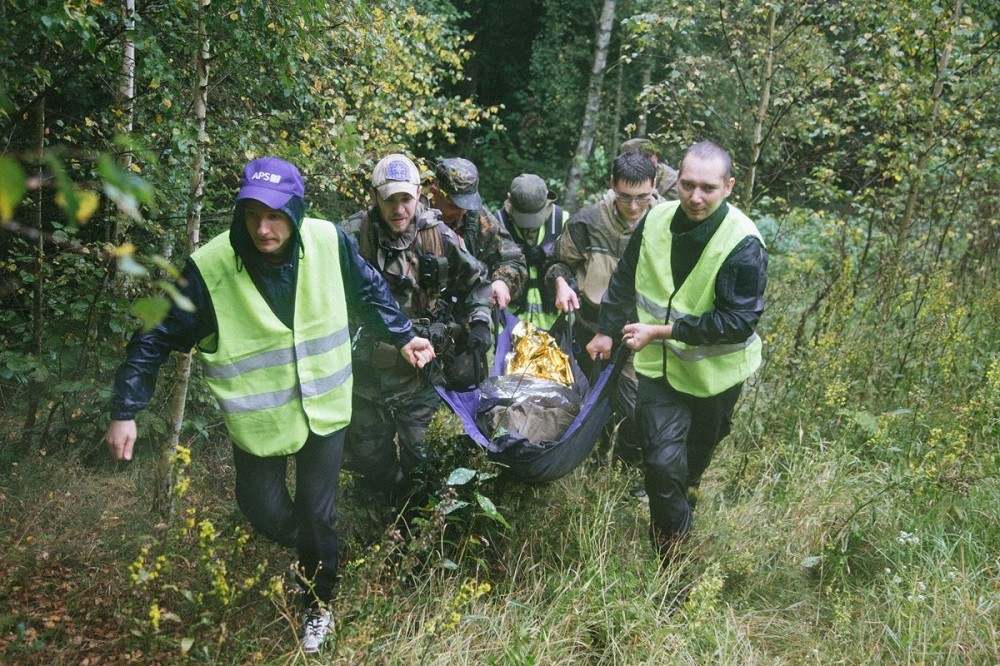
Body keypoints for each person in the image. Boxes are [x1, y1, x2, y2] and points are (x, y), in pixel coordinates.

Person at [103, 156, 435, 653]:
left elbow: (368, 290)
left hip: (325, 409)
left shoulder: (327, 241)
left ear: (297, 212)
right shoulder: (208, 269)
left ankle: (318, 603)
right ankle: (317, 548)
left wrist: (404, 333)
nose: (264, 228)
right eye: (253, 214)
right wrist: (126, 408)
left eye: (276, 215)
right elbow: (153, 337)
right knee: (262, 509)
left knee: (317, 512)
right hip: (260, 423)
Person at [586, 141, 768, 563]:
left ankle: (682, 511)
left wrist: (663, 330)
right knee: (662, 467)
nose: (695, 197)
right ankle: (672, 562)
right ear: (674, 180)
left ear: (728, 187)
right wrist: (608, 331)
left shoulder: (743, 243)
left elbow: (738, 322)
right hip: (659, 373)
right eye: (687, 185)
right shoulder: (656, 219)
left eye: (707, 187)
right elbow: (624, 280)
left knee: (690, 470)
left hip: (715, 379)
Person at [340, 153, 493, 496]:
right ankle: (380, 515)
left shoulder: (436, 235)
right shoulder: (350, 238)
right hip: (366, 374)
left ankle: (416, 522)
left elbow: (477, 282)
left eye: (406, 199)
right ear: (374, 197)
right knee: (369, 462)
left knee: (421, 461)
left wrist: (480, 322)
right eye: (389, 199)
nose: (399, 209)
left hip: (419, 373)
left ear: (419, 194)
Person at [545, 150, 661, 467]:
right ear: (612, 184)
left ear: (655, 183)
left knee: (635, 407)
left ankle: (625, 471)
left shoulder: (668, 221)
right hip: (591, 327)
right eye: (625, 197)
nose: (634, 206)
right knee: (592, 400)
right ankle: (592, 464)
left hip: (645, 332)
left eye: (642, 196)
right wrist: (561, 284)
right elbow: (558, 263)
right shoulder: (587, 221)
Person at [426, 157, 527, 311]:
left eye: (466, 205)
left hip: (465, 311)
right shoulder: (409, 215)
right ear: (434, 192)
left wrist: (503, 282)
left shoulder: (475, 217)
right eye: (454, 206)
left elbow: (513, 260)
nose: (461, 214)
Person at [495, 173, 570, 329]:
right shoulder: (496, 222)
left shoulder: (563, 219)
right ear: (510, 199)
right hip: (511, 323)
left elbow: (574, 265)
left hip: (555, 322)